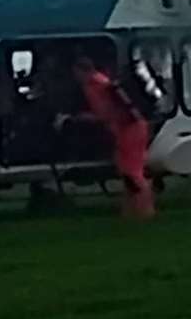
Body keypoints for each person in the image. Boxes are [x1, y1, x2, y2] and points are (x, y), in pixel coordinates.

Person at [58, 54, 155, 220]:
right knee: (127, 171)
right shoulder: (103, 81)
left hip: (129, 130)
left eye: (76, 73)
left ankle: (145, 210)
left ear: (82, 71)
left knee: (132, 172)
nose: (75, 78)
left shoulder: (94, 86)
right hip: (131, 128)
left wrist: (72, 119)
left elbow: (103, 115)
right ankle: (131, 210)